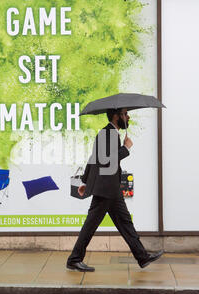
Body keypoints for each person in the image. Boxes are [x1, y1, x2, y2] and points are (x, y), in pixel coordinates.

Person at [66, 108, 164, 272]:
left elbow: (94, 158)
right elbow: (105, 160)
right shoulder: (108, 133)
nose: (128, 117)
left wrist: (85, 180)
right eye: (125, 114)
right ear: (116, 116)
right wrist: (126, 148)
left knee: (125, 223)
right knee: (92, 224)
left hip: (110, 188)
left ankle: (142, 256)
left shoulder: (110, 133)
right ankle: (74, 259)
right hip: (105, 189)